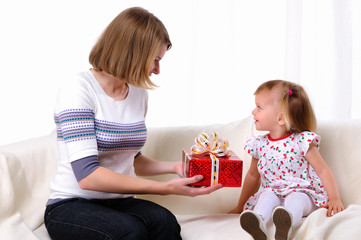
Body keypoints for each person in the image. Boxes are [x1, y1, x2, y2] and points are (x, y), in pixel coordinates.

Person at [44, 7, 222, 240]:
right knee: (131, 232)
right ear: (132, 53)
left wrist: (174, 168)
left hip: (118, 202)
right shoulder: (78, 89)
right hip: (71, 205)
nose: (157, 71)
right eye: (155, 60)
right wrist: (165, 188)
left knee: (166, 223)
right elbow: (88, 176)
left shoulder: (138, 93)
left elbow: (132, 160)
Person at [229, 80, 344, 240]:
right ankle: (258, 222)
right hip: (274, 192)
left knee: (295, 198)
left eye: (259, 107)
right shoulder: (259, 144)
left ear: (281, 118)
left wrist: (334, 198)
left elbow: (322, 169)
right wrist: (240, 206)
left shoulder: (302, 141)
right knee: (266, 196)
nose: (253, 111)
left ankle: (287, 223)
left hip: (303, 193)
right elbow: (252, 176)